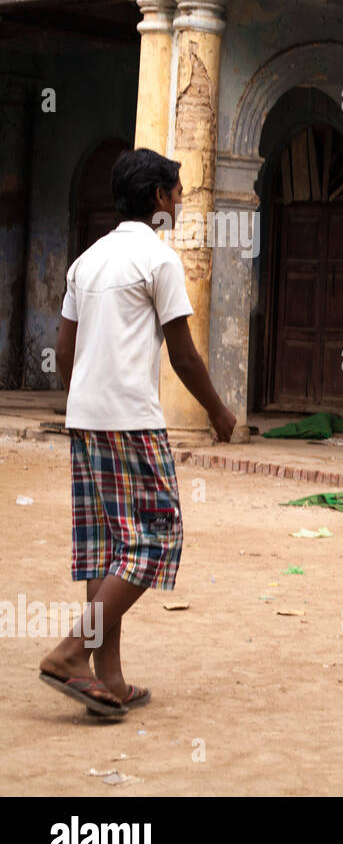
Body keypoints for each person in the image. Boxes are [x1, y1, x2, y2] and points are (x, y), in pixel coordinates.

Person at [38, 148, 236, 717]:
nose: (179, 202)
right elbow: (184, 356)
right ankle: (72, 651)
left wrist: (90, 395)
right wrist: (220, 413)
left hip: (86, 419)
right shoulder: (159, 260)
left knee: (108, 546)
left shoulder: (87, 261)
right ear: (158, 198)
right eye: (177, 193)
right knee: (157, 536)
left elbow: (65, 353)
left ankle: (110, 678)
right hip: (132, 421)